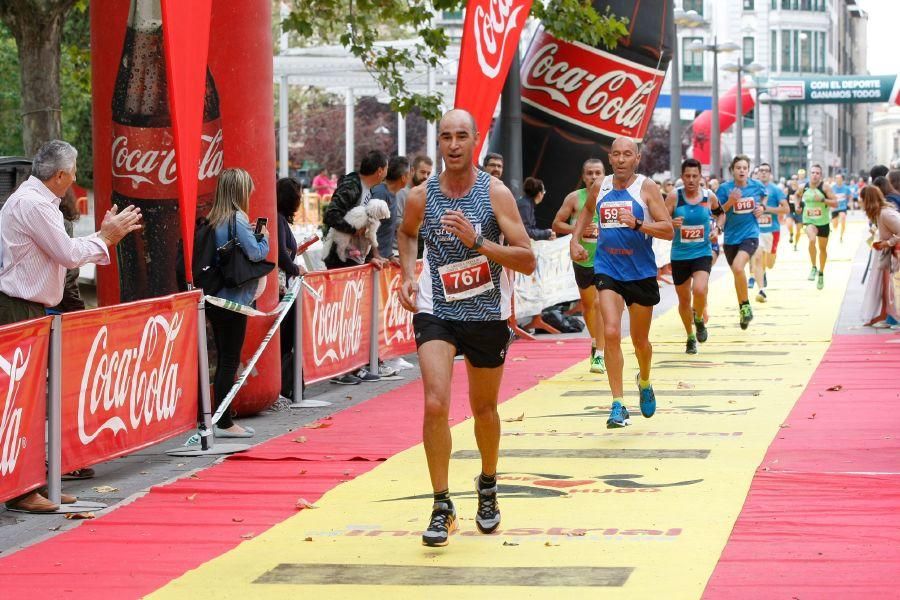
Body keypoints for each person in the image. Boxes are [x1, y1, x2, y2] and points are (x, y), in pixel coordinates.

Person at [397, 109, 535, 547]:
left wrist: (478, 241)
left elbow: (527, 258)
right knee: (436, 404)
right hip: (437, 308)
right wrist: (405, 273)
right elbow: (405, 233)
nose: (453, 145)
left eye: (461, 137)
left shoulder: (495, 194)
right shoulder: (422, 196)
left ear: (476, 139)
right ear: (438, 142)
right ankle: (441, 504)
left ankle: (488, 485)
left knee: (484, 410)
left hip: (487, 314)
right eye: (445, 137)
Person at [0, 139, 142, 512]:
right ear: (61, 175)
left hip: (27, 307)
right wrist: (107, 236)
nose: (77, 178)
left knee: (34, 399)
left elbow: (64, 250)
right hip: (19, 308)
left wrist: (102, 236)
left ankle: (36, 483)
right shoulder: (33, 204)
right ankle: (22, 490)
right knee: (25, 402)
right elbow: (67, 253)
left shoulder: (33, 201)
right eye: (75, 171)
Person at [570, 137, 673, 429]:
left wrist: (639, 225)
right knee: (612, 331)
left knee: (640, 341)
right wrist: (575, 240)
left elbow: (667, 230)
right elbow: (587, 210)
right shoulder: (599, 186)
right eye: (616, 154)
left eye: (628, 154)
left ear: (637, 158)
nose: (621, 159)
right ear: (610, 158)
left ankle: (645, 379)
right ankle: (618, 404)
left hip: (640, 272)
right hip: (607, 269)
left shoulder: (646, 188)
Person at [205, 168, 269, 439]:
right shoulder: (237, 220)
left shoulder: (212, 219)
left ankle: (219, 418)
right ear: (240, 192)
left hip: (214, 296)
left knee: (223, 358)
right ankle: (224, 421)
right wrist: (262, 235)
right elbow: (256, 254)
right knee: (230, 359)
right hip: (234, 300)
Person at [323, 150, 390, 384]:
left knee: (353, 316)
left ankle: (354, 366)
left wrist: (372, 254)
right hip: (339, 258)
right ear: (380, 170)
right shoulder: (352, 185)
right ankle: (340, 370)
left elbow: (369, 227)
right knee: (343, 315)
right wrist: (353, 231)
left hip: (355, 259)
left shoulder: (367, 190)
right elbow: (330, 215)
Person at [552, 158, 607, 374]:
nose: (594, 177)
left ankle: (600, 355)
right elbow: (556, 224)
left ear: (604, 174)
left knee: (599, 303)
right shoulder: (575, 198)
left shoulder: (611, 196)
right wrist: (577, 230)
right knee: (588, 306)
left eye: (598, 173)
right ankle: (595, 340)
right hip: (583, 258)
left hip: (606, 259)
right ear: (583, 176)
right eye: (590, 173)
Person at [666, 158, 718, 354]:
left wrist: (717, 228)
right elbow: (659, 220)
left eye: (695, 176)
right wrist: (671, 222)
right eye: (687, 176)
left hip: (702, 252)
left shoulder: (708, 196)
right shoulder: (673, 197)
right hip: (679, 254)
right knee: (683, 300)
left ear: (700, 177)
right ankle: (689, 336)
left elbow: (720, 213)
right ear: (682, 177)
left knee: (700, 288)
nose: (691, 180)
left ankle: (698, 319)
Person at [716, 155, 766, 329]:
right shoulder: (724, 189)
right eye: (738, 168)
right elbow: (717, 212)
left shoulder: (756, 186)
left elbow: (763, 197)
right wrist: (730, 202)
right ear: (732, 170)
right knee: (737, 273)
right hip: (730, 238)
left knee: (738, 267)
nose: (742, 170)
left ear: (749, 170)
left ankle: (745, 307)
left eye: (745, 167)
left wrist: (762, 208)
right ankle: (744, 307)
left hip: (750, 235)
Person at [275, 177, 306, 398]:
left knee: (287, 342)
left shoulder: (281, 221)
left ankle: (288, 385)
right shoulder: (278, 221)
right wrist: (295, 268)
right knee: (285, 342)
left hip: (286, 288)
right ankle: (285, 387)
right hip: (282, 291)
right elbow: (281, 254)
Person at [860, 185, 900, 327]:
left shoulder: (885, 213)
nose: (860, 203)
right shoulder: (879, 213)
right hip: (888, 255)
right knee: (886, 288)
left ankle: (893, 318)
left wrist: (888, 242)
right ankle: (887, 316)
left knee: (892, 288)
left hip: (894, 255)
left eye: (862, 199)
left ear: (868, 200)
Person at [751, 162, 790, 302]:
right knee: (757, 256)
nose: (763, 173)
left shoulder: (775, 190)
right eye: (761, 170)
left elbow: (786, 210)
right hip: (756, 230)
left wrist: (767, 209)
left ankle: (764, 271)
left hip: (772, 230)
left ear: (770, 173)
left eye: (766, 171)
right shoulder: (751, 188)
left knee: (770, 263)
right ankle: (761, 291)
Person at [795, 164, 836, 290]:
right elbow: (796, 196)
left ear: (821, 175)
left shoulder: (825, 187)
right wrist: (797, 206)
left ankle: (821, 273)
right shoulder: (803, 187)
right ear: (809, 174)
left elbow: (835, 203)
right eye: (813, 172)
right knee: (812, 240)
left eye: (817, 173)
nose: (815, 175)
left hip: (823, 222)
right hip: (809, 220)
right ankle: (813, 267)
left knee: (822, 249)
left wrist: (823, 200)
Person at [50, 187, 86, 313]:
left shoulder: (14, 213)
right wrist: (78, 311)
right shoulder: (62, 224)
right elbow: (68, 278)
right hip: (53, 310)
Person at [372, 155, 410, 261]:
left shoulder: (393, 194)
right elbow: (368, 227)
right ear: (403, 177)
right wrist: (374, 255)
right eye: (409, 174)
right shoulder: (380, 193)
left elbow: (386, 230)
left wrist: (390, 255)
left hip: (384, 259)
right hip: (374, 263)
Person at [395, 155, 433, 259]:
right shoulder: (401, 192)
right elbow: (395, 221)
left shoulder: (425, 194)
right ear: (412, 170)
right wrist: (417, 225)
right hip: (399, 253)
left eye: (428, 173)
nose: (425, 176)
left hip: (418, 251)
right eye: (422, 172)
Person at [830, 174, 851, 242]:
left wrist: (848, 203)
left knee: (843, 217)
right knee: (835, 226)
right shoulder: (832, 188)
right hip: (834, 208)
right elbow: (829, 197)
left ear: (842, 179)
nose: (838, 180)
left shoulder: (846, 188)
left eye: (839, 178)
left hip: (843, 207)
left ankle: (841, 236)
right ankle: (836, 222)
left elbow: (850, 196)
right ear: (835, 180)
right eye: (836, 178)